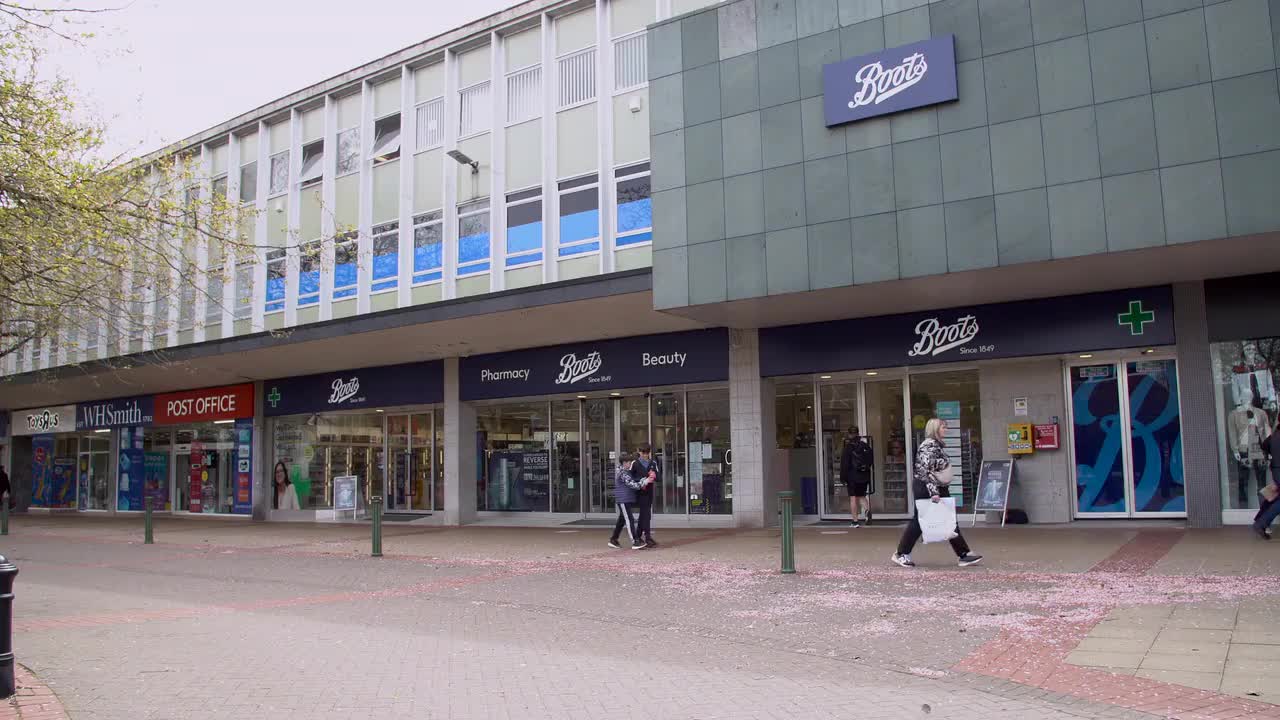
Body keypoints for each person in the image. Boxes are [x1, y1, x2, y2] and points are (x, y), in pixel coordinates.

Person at [892, 418, 983, 568]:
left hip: (935, 487)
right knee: (919, 520)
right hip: (928, 487)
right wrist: (934, 492)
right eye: (943, 427)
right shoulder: (929, 445)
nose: (945, 429)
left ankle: (964, 554)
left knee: (947, 518)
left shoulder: (936, 445)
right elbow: (925, 471)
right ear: (935, 429)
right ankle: (901, 553)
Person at [609, 452, 647, 550]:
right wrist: (643, 482)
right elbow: (632, 484)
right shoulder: (623, 473)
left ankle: (614, 539)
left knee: (622, 520)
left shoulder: (624, 471)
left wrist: (641, 481)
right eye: (629, 462)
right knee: (629, 519)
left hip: (625, 499)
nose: (630, 464)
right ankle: (635, 541)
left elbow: (633, 482)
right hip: (623, 499)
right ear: (624, 463)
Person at [840, 427, 873, 527]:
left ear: (849, 435)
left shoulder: (848, 448)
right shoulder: (865, 446)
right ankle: (867, 511)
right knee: (862, 496)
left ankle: (855, 521)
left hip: (852, 477)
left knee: (853, 498)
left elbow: (844, 464)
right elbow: (870, 461)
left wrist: (843, 477)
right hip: (864, 476)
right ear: (858, 434)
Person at [1252, 418, 1280, 539]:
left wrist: (1271, 458)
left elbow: (1263, 447)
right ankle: (1261, 523)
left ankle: (1260, 519)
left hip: (1276, 470)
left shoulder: (1273, 436)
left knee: (1276, 497)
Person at [630, 443, 660, 547]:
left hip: (649, 491)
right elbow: (630, 477)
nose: (645, 455)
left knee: (644, 514)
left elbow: (659, 477)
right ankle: (647, 537)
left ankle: (638, 536)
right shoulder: (635, 463)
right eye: (643, 453)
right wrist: (641, 481)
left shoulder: (653, 463)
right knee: (646, 514)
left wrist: (654, 476)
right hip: (640, 492)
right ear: (639, 452)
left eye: (647, 453)